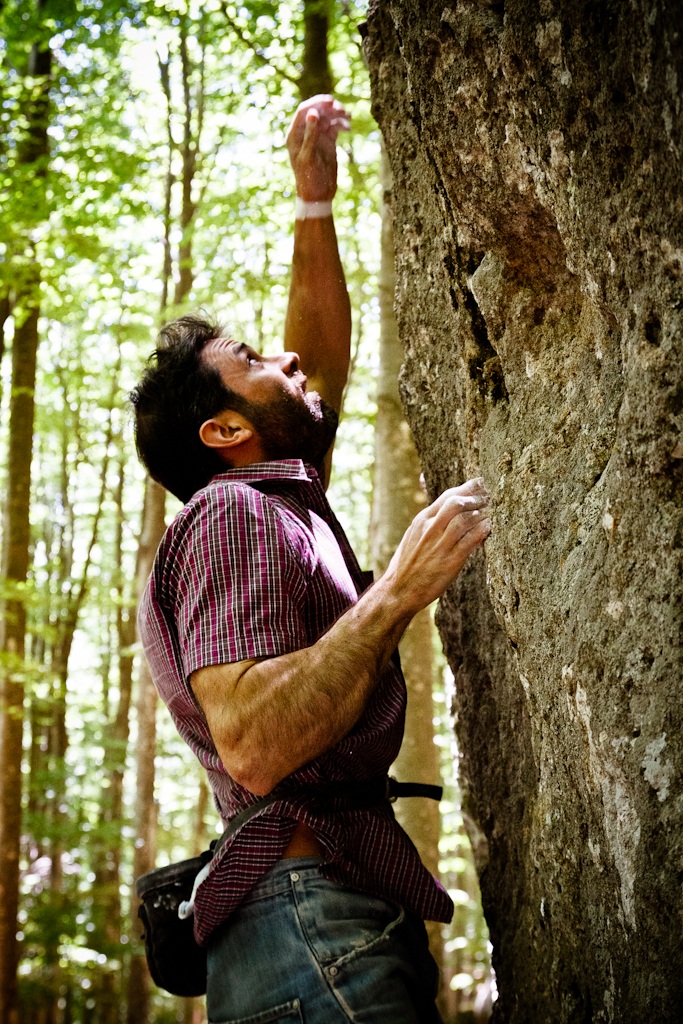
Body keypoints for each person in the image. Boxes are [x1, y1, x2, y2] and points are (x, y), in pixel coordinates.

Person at [131, 95, 491, 1024]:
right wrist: (395, 597)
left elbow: (314, 373)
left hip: (312, 920)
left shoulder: (268, 495)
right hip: (305, 925)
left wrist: (313, 204)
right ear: (225, 430)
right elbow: (252, 743)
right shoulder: (234, 517)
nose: (286, 358)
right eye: (253, 360)